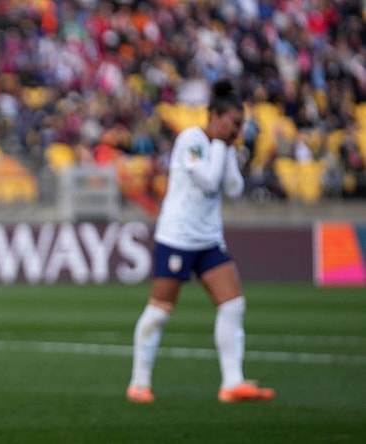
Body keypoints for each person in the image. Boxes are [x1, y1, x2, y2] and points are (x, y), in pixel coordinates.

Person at [126, 79, 274, 404]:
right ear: (216, 117)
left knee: (233, 304)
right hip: (177, 237)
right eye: (234, 123)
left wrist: (227, 150)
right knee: (161, 311)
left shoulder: (224, 147)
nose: (238, 130)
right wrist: (222, 148)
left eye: (241, 125)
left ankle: (232, 383)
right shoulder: (191, 140)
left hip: (207, 238)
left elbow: (233, 188)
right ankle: (139, 383)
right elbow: (207, 183)